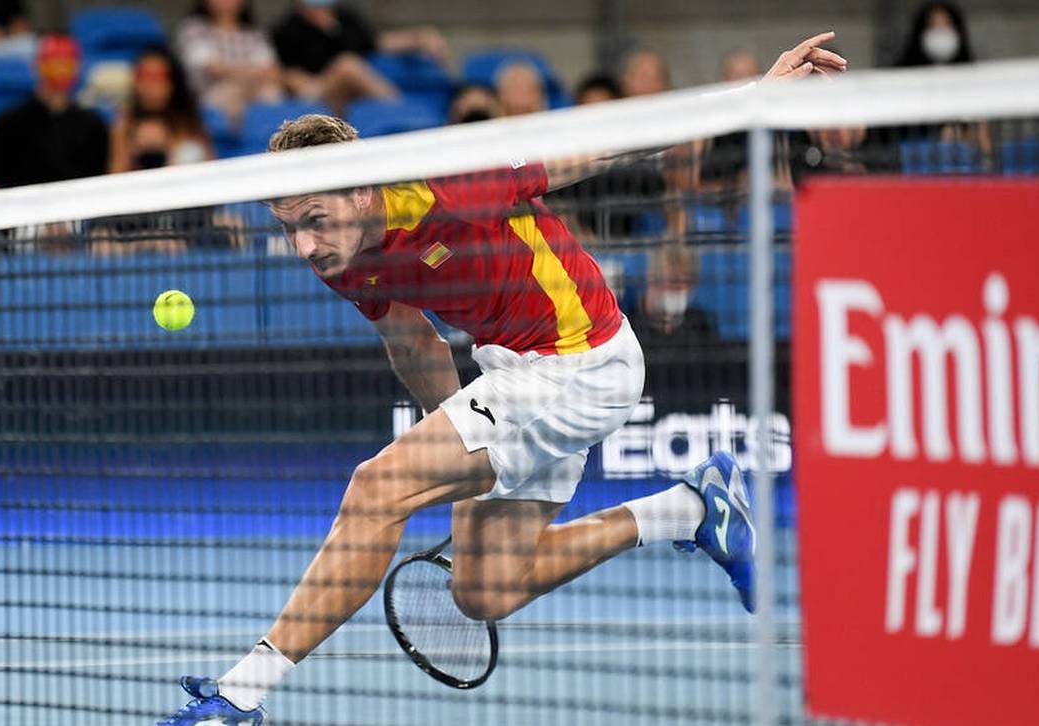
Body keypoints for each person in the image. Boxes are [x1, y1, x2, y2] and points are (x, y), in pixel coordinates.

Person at [155, 31, 847, 726]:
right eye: (288, 227)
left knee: (376, 489)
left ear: (361, 191)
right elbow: (412, 341)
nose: (306, 244)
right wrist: (455, 441)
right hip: (509, 367)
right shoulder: (337, 253)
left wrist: (754, 97)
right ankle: (690, 509)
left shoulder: (450, 180)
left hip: (580, 359)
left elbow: (615, 143)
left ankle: (239, 694)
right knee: (486, 590)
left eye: (314, 220)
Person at [0, 35, 108, 191]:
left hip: (77, 202)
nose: (60, 68)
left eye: (66, 62)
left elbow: (105, 183)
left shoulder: (93, 123)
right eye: (53, 61)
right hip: (24, 203)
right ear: (36, 66)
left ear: (78, 67)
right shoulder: (8, 122)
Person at [270, 0, 448, 114]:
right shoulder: (286, 30)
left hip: (360, 88)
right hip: (320, 93)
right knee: (347, 66)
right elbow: (288, 75)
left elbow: (376, 42)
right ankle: (401, 110)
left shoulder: (347, 18)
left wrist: (419, 37)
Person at [177, 0, 283, 125]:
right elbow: (211, 67)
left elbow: (271, 70)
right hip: (208, 98)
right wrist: (251, 74)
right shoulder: (193, 28)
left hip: (254, 92)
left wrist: (243, 76)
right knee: (230, 93)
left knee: (271, 93)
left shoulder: (254, 32)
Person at [109, 47, 214, 173]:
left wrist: (170, 145)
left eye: (157, 77)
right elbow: (116, 176)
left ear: (172, 83)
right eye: (143, 76)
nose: (149, 85)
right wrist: (135, 153)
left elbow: (210, 168)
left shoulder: (189, 121)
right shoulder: (125, 124)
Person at [624, 243, 717, 351]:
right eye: (674, 282)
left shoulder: (700, 326)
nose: (680, 290)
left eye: (687, 284)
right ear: (652, 278)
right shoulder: (627, 328)